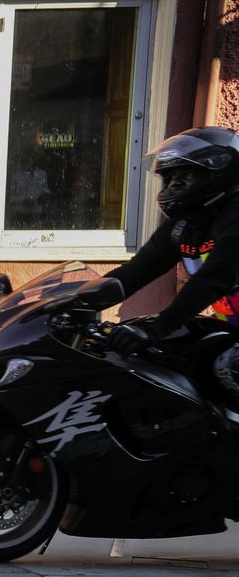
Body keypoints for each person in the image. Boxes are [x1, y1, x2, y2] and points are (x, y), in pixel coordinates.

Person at [101, 126, 239, 404]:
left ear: (217, 173)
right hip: (234, 329)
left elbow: (218, 275)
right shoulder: (184, 226)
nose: (173, 186)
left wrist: (157, 328)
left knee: (227, 370)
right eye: (170, 177)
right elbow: (132, 274)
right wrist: (73, 302)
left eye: (184, 176)